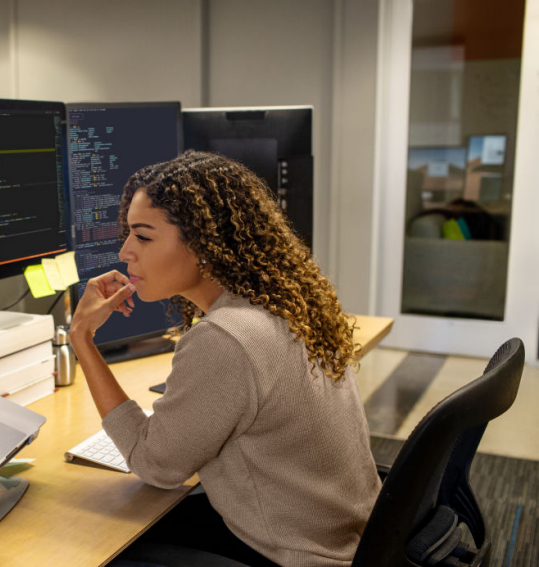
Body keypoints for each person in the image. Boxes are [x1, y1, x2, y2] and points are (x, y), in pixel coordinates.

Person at [70, 150, 382, 567]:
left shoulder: (225, 338)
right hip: (350, 537)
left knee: (97, 546)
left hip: (298, 556)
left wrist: (82, 339)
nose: (126, 251)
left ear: (204, 243)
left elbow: (156, 466)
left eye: (143, 236)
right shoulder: (283, 303)